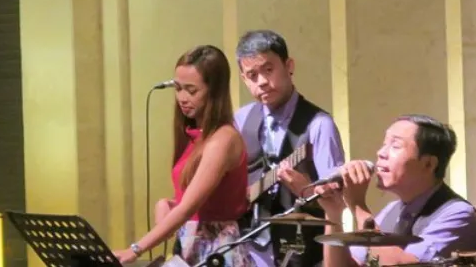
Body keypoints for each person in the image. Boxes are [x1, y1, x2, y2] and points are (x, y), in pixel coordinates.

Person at [113, 45, 256, 267]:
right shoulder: (193, 136)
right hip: (191, 246)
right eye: (178, 88)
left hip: (217, 251)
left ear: (214, 91)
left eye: (191, 90)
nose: (182, 98)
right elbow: (195, 202)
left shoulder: (223, 139)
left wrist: (135, 249)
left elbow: (189, 207)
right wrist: (169, 203)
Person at [233, 29, 345, 266]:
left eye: (269, 69)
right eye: (252, 75)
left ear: (289, 66)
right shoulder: (240, 120)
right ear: (244, 79)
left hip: (302, 254)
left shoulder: (319, 125)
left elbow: (336, 199)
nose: (262, 81)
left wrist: (307, 191)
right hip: (248, 252)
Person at [314, 114, 476, 266]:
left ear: (429, 164)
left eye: (395, 146)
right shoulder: (391, 210)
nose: (381, 153)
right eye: (384, 144)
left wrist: (358, 206)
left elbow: (400, 264)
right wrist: (333, 214)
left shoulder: (458, 214)